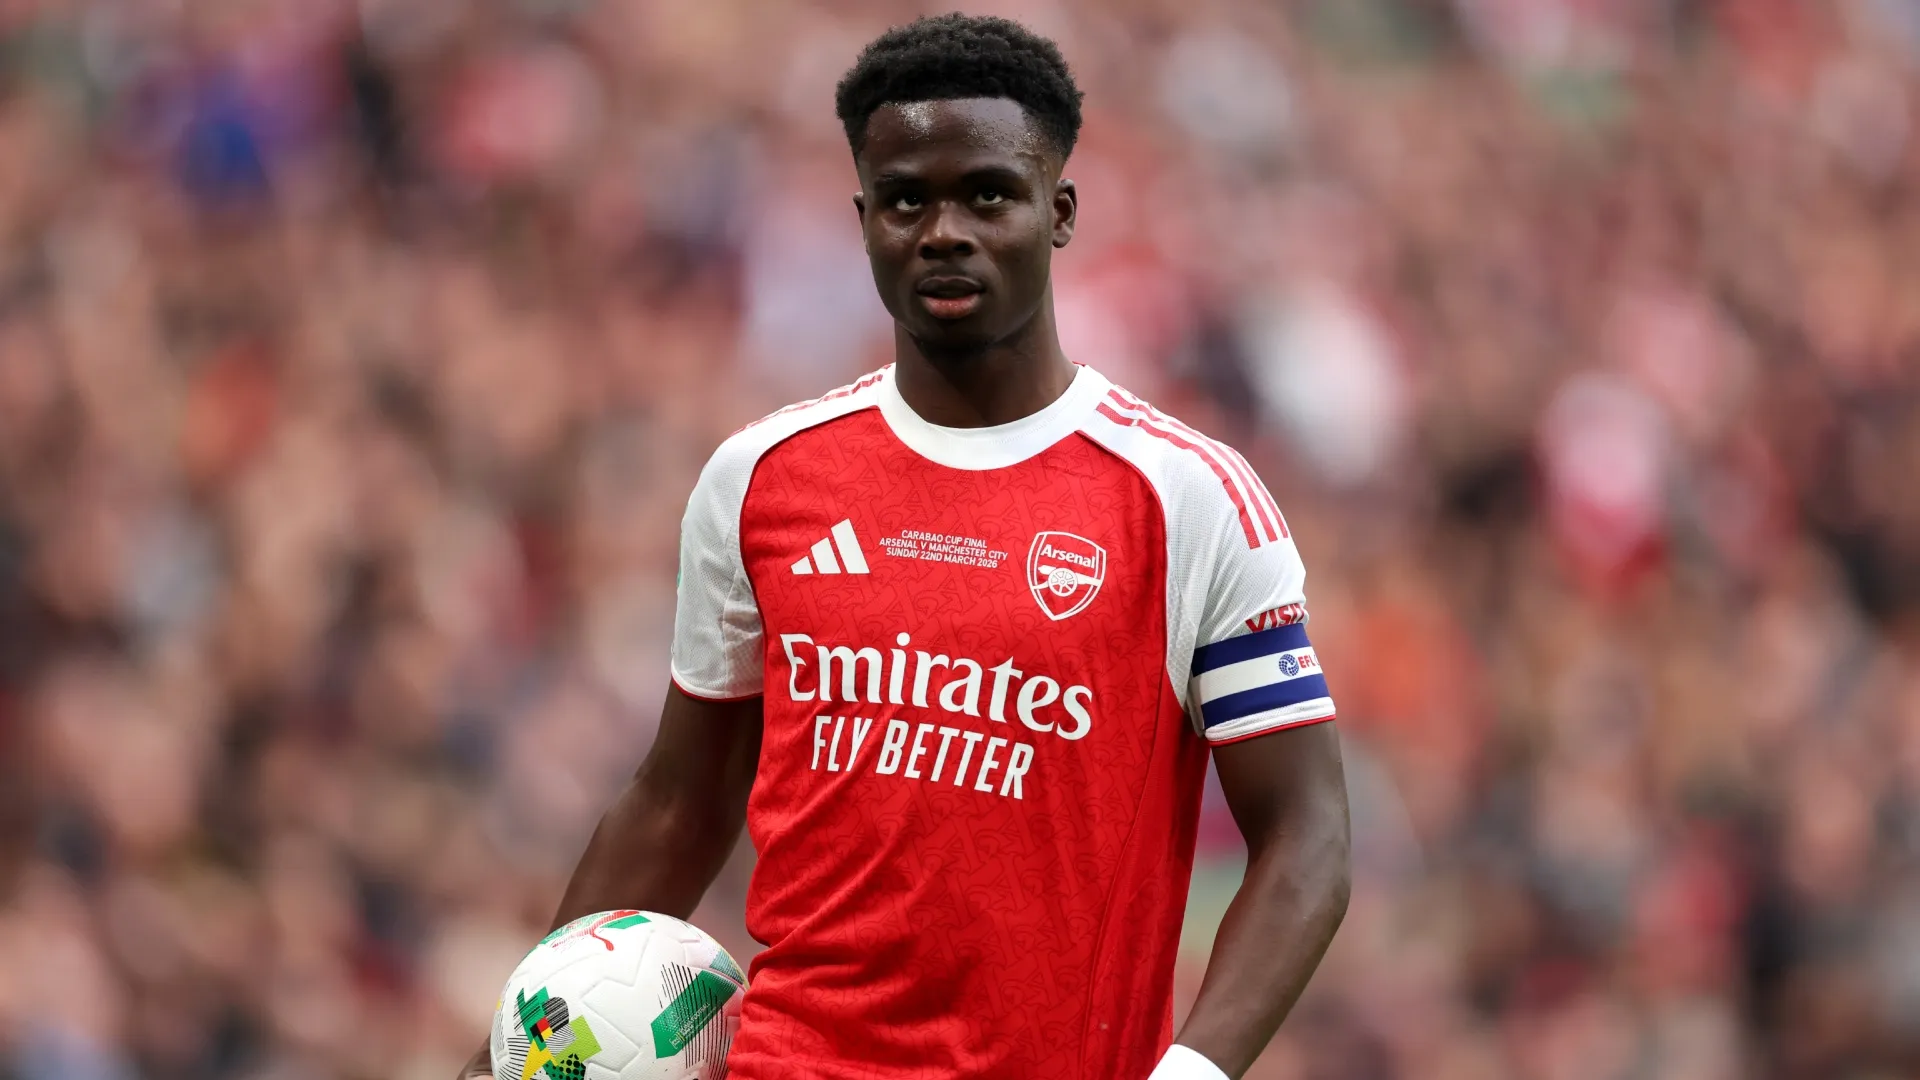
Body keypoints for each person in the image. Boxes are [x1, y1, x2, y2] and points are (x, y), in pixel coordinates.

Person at [460, 14, 1349, 1080]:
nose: (942, 230)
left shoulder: (1189, 502)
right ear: (864, 218)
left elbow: (1309, 836)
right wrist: (517, 1048)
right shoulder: (761, 479)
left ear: (1057, 213)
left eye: (987, 193)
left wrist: (1193, 1071)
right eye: (905, 199)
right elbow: (677, 800)